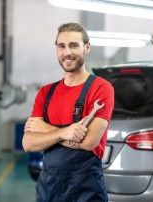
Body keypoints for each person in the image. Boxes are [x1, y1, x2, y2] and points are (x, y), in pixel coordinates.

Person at [22, 22, 114, 202]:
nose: (67, 52)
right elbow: (28, 143)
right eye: (61, 46)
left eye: (73, 45)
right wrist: (65, 132)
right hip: (49, 188)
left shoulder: (101, 88)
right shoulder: (46, 93)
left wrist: (44, 129)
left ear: (86, 48)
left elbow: (89, 142)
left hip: (86, 190)